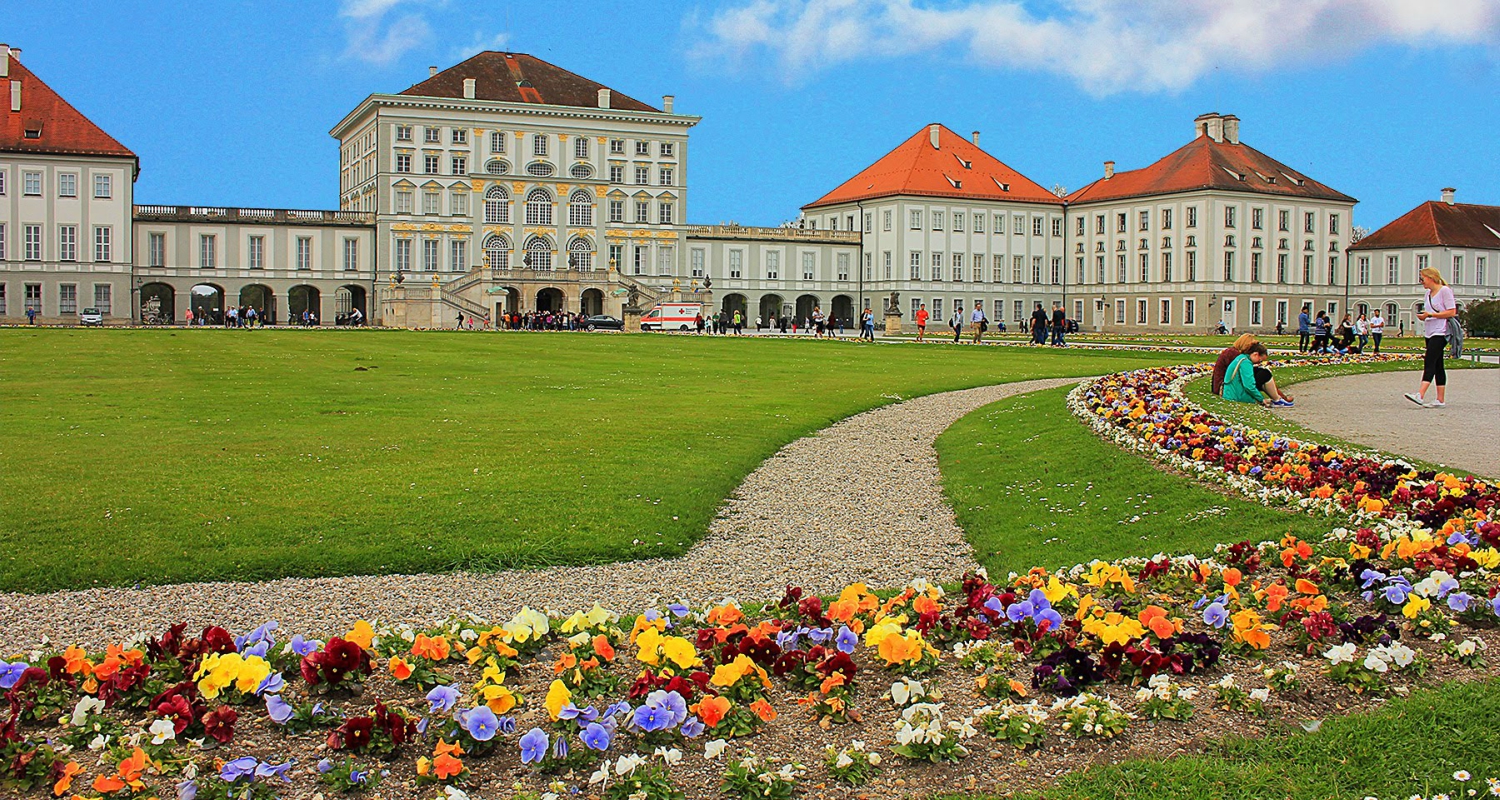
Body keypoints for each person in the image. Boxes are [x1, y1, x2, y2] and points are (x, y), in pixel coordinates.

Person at [1405, 266, 1457, 408]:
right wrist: (1424, 317)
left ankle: (1420, 394)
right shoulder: (1427, 294)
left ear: (1431, 278)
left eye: (1423, 278)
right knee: (1438, 364)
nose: (1421, 282)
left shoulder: (1445, 291)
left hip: (1441, 332)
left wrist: (1431, 315)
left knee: (1430, 361)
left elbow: (1451, 312)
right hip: (1429, 331)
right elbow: (1429, 312)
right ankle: (1440, 399)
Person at [1223, 343, 1294, 407]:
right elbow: (1249, 385)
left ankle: (1277, 399)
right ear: (1255, 354)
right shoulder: (1246, 363)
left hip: (1231, 393)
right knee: (1265, 374)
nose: (1259, 363)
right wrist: (1261, 399)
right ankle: (1277, 400)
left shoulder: (1241, 358)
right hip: (1237, 395)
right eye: (1260, 360)